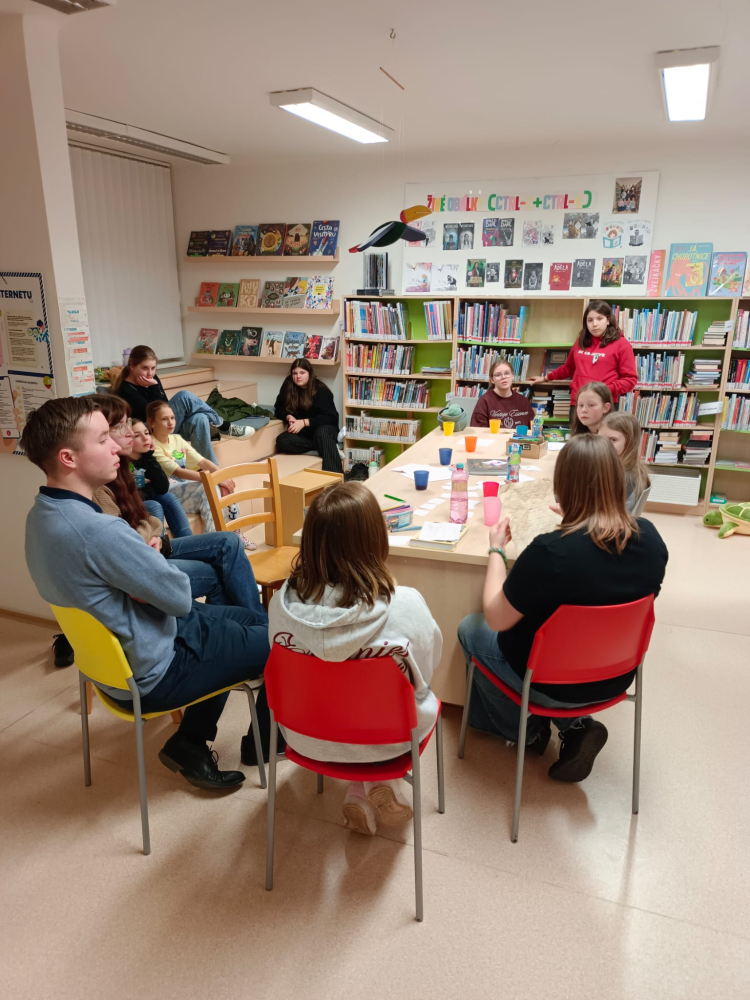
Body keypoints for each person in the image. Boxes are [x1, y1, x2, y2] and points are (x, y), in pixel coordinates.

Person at [22, 396, 271, 790]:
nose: (115, 445)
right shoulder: (100, 532)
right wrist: (151, 568)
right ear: (68, 458)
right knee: (284, 640)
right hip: (159, 667)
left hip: (118, 662)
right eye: (102, 439)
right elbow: (179, 597)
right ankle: (266, 743)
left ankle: (191, 742)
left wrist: (145, 580)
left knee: (255, 620)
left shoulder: (40, 516)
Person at [458, 433, 668, 782]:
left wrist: (496, 551)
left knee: (471, 627)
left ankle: (526, 731)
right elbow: (604, 580)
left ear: (562, 487)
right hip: (615, 674)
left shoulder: (550, 552)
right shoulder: (651, 538)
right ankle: (576, 725)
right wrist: (577, 517)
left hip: (547, 681)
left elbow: (495, 618)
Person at [268, 481, 442, 835]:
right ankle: (379, 782)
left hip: (305, 737)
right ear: (376, 538)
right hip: (389, 740)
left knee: (350, 710)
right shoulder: (405, 605)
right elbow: (426, 670)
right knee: (405, 703)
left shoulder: (280, 605)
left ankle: (358, 793)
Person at [114, 344, 254, 465]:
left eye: (153, 368)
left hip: (166, 425)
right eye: (145, 368)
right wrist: (154, 387)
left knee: (200, 418)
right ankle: (223, 426)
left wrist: (153, 385)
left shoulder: (151, 378)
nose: (150, 373)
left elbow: (166, 408)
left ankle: (210, 471)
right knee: (184, 396)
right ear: (132, 366)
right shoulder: (126, 389)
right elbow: (159, 411)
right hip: (148, 431)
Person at [147, 400, 255, 550]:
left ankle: (234, 532)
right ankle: (212, 541)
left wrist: (221, 476)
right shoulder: (152, 445)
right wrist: (213, 479)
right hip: (169, 492)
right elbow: (178, 471)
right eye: (164, 419)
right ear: (151, 422)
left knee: (223, 484)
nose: (170, 422)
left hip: (186, 488)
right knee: (209, 487)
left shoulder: (177, 439)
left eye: (172, 418)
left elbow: (202, 461)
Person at [528, 300, 637, 413]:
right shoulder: (581, 340)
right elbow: (569, 368)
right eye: (590, 320)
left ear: (608, 320)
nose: (594, 324)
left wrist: (604, 390)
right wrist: (546, 378)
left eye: (599, 319)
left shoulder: (622, 345)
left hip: (604, 403)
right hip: (578, 402)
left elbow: (630, 380)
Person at [273, 358, 343, 473]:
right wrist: (288, 416)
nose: (298, 376)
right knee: (282, 440)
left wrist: (304, 422)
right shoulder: (288, 384)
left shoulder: (321, 390)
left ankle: (335, 478)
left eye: (302, 373)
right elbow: (279, 408)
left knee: (322, 434)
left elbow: (331, 418)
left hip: (324, 428)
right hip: (306, 434)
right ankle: (326, 446)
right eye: (295, 373)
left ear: (310, 374)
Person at [600, 411, 650, 513]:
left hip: (611, 521)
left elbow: (602, 511)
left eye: (613, 439)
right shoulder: (632, 468)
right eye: (600, 438)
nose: (605, 444)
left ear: (630, 442)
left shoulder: (625, 475)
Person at [470, 360, 535, 430]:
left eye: (507, 373)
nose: (503, 377)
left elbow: (533, 428)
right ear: (492, 379)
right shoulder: (484, 401)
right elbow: (478, 431)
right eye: (498, 375)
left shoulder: (523, 401)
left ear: (512, 375)